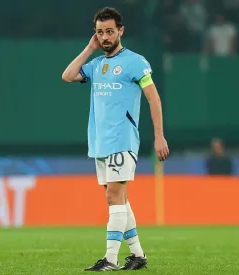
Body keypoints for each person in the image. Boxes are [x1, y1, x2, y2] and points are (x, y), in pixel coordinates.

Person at [61, 7, 169, 271]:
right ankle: (138, 256)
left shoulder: (135, 61)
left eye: (109, 31)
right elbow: (68, 76)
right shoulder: (96, 65)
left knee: (113, 198)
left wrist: (159, 136)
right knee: (118, 199)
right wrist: (89, 49)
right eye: (100, 32)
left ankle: (110, 259)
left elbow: (153, 98)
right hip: (100, 142)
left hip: (122, 139)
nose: (105, 37)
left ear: (121, 31)